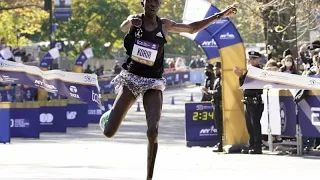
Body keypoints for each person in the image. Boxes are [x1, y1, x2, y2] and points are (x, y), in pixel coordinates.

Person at [100, 0, 237, 179]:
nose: (153, 4)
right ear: (143, 3)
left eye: (156, 1)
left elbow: (192, 28)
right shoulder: (136, 20)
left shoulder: (164, 25)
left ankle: (149, 177)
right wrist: (130, 23)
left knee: (153, 131)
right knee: (109, 132)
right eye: (149, 1)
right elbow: (123, 26)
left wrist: (220, 15)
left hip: (153, 81)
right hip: (132, 78)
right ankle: (111, 114)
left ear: (159, 4)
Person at [233, 51, 263, 154]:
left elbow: (255, 87)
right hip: (248, 101)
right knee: (249, 125)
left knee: (255, 125)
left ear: (258, 59)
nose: (251, 60)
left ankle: (257, 146)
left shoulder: (259, 71)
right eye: (250, 58)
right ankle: (252, 144)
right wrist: (241, 76)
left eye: (254, 58)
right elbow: (243, 85)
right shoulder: (250, 71)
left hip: (255, 101)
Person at [202, 62, 223, 152]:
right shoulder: (217, 79)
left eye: (217, 69)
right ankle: (219, 143)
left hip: (219, 105)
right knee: (218, 125)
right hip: (216, 104)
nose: (215, 71)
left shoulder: (221, 79)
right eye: (214, 69)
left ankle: (220, 145)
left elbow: (218, 92)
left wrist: (208, 91)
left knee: (220, 125)